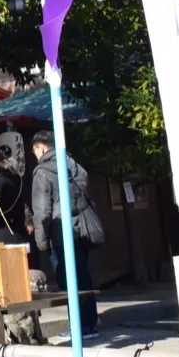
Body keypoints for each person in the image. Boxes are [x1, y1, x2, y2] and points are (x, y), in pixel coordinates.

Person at [29, 129, 102, 336]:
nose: (35, 155)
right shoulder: (73, 165)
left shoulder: (42, 172)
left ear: (40, 148)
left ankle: (79, 327)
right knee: (83, 277)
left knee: (68, 280)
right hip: (81, 230)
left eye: (35, 151)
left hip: (61, 232)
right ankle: (89, 324)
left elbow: (42, 211)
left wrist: (41, 241)